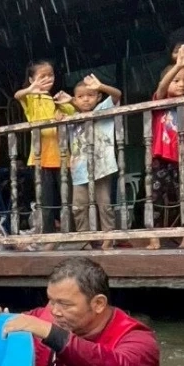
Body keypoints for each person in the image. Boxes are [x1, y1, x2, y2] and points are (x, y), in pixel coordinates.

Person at [0, 256, 159, 366]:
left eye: (64, 304)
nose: (54, 311)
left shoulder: (139, 340)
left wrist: (52, 334)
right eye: (51, 301)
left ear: (98, 304)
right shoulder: (40, 317)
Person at [147, 30, 184, 250]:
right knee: (154, 197)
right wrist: (177, 66)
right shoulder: (161, 99)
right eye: (177, 81)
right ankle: (153, 237)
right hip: (160, 156)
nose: (181, 85)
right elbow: (162, 87)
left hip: (182, 157)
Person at [13, 60, 75, 234]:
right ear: (32, 79)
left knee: (67, 200)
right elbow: (18, 95)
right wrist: (32, 88)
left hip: (63, 156)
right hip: (40, 157)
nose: (48, 79)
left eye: (51, 75)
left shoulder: (58, 99)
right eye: (42, 76)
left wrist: (67, 101)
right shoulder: (31, 98)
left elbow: (77, 110)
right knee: (45, 202)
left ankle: (70, 234)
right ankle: (48, 236)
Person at [66, 73, 123, 246]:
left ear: (98, 97)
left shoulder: (102, 109)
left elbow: (117, 95)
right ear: (75, 100)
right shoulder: (72, 118)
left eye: (90, 95)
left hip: (102, 167)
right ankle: (85, 238)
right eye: (80, 97)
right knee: (78, 206)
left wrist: (100, 86)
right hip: (79, 169)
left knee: (104, 204)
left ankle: (108, 237)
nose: (85, 100)